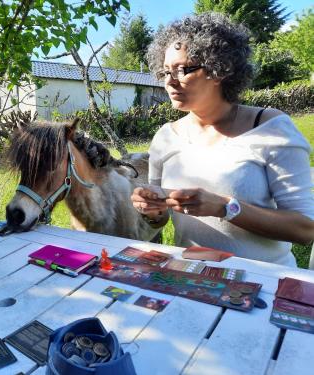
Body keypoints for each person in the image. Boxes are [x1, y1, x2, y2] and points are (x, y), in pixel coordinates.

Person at [130, 12, 314, 266]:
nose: (170, 82)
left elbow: (305, 230)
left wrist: (225, 207)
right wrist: (153, 211)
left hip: (265, 285)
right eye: (165, 72)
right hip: (191, 279)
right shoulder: (165, 138)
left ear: (220, 69)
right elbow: (160, 218)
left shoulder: (270, 128)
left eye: (183, 69)